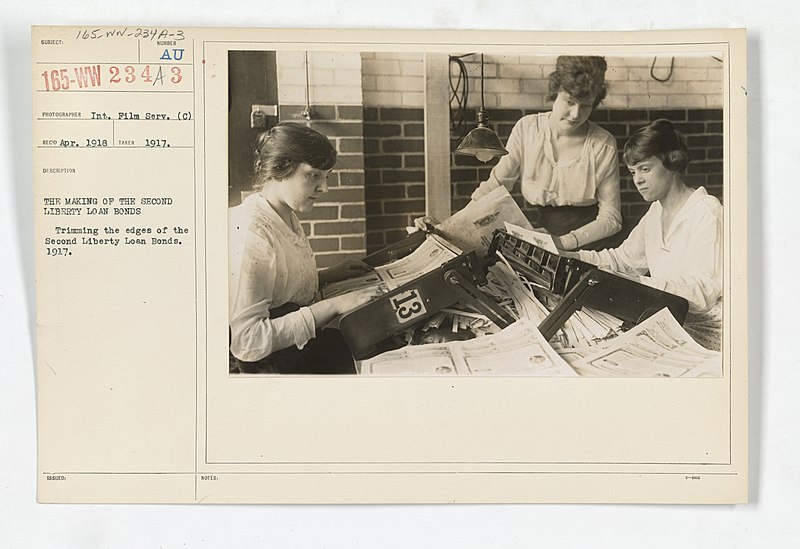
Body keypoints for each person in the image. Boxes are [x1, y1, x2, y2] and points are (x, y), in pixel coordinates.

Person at [418, 55, 622, 251]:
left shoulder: (603, 145)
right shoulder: (527, 129)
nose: (576, 114)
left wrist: (563, 242)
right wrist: (447, 228)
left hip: (594, 241)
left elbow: (611, 218)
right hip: (545, 233)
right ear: (555, 92)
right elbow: (493, 188)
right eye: (569, 101)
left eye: (586, 106)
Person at [228, 122, 377, 374]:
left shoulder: (282, 214)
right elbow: (248, 341)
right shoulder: (251, 233)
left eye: (326, 176)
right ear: (279, 169)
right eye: (313, 175)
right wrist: (334, 305)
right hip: (270, 368)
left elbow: (278, 288)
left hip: (295, 351)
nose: (324, 188)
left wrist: (328, 276)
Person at [564, 119, 723, 351]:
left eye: (645, 169)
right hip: (671, 319)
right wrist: (569, 256)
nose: (637, 180)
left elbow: (703, 292)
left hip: (707, 331)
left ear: (673, 163)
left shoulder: (707, 212)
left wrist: (639, 287)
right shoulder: (656, 211)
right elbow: (623, 261)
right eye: (632, 171)